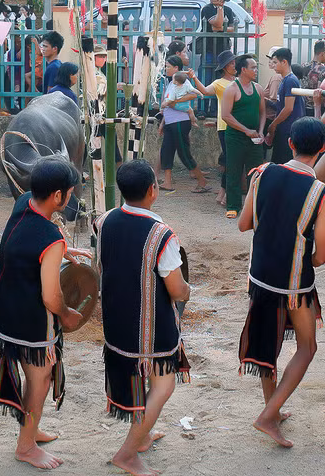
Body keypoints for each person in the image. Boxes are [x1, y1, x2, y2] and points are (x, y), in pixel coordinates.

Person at [237, 117, 325, 447]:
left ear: (289, 143)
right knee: (307, 348)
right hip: (294, 284)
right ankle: (268, 414)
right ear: (323, 149)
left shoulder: (262, 173)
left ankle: (272, 410)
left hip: (259, 275)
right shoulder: (321, 192)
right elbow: (321, 256)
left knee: (268, 348)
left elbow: (243, 224)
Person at [94, 159, 190, 476]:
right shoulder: (161, 234)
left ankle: (143, 435)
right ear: (153, 190)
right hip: (149, 329)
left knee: (145, 380)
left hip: (116, 322)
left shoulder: (106, 221)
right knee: (164, 385)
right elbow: (176, 290)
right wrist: (188, 290)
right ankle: (127, 454)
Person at [0, 157, 85, 470]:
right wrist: (68, 314)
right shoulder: (50, 238)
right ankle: (26, 446)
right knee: (40, 378)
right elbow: (51, 296)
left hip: (4, 309)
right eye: (69, 192)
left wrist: (63, 250)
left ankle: (31, 428)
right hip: (31, 321)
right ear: (58, 196)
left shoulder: (22, 202)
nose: (70, 196)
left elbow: (25, 242)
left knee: (35, 377)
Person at [222, 55, 266, 219]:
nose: (256, 70)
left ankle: (254, 206)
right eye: (253, 67)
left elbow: (262, 113)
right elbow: (225, 116)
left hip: (255, 137)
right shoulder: (232, 89)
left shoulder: (258, 89)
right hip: (235, 137)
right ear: (243, 70)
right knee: (233, 170)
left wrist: (261, 130)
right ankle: (233, 206)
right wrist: (246, 130)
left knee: (255, 172)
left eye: (256, 67)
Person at [189, 50, 235, 206]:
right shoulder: (219, 83)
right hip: (225, 125)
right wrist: (194, 78)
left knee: (231, 161)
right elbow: (205, 91)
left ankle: (223, 192)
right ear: (225, 67)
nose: (234, 65)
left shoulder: (238, 81)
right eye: (231, 63)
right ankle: (224, 192)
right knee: (230, 161)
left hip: (234, 125)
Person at [159, 56, 209, 193]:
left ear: (176, 68)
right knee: (166, 151)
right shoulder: (171, 83)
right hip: (170, 122)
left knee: (184, 153)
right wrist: (163, 122)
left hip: (180, 122)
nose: (166, 68)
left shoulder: (183, 81)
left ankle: (202, 181)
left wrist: (174, 102)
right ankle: (168, 182)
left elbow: (193, 95)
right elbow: (167, 105)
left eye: (168, 66)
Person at [196, 0, 236, 115]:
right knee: (206, 78)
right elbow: (218, 25)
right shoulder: (207, 9)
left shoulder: (229, 10)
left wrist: (220, 28)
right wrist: (219, 9)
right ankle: (202, 109)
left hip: (223, 49)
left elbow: (232, 29)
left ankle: (214, 109)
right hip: (208, 49)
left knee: (219, 78)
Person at [265, 48, 305, 164]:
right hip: (284, 129)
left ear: (284, 62)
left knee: (284, 163)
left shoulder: (290, 81)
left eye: (275, 62)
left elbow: (288, 108)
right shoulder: (284, 80)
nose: (273, 66)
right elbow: (281, 105)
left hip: (288, 130)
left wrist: (273, 124)